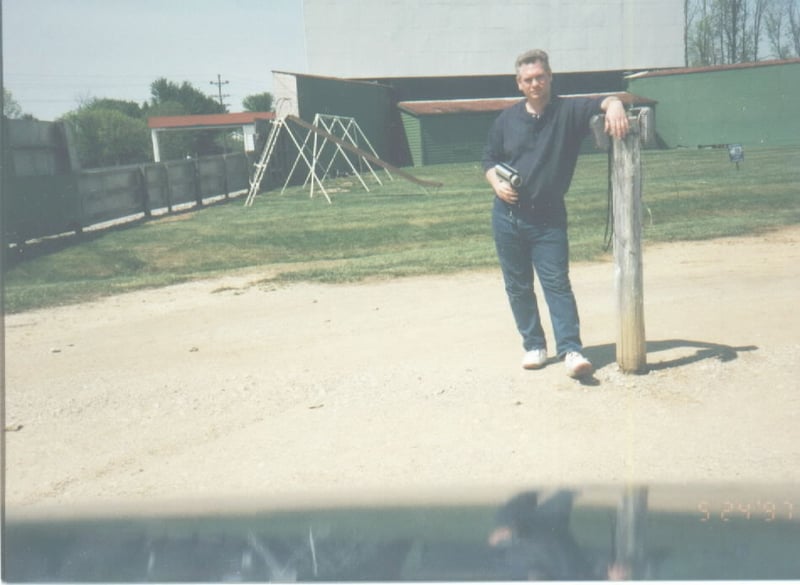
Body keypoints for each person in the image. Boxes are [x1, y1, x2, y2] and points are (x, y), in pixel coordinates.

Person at [482, 49, 629, 378]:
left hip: (548, 218)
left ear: (550, 77)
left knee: (557, 284)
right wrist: (495, 183)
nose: (535, 83)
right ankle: (533, 345)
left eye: (540, 77)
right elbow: (488, 160)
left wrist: (616, 104)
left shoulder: (568, 111)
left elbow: (604, 101)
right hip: (506, 216)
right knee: (518, 286)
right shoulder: (506, 120)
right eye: (528, 79)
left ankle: (571, 350)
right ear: (519, 84)